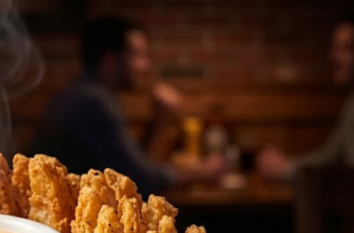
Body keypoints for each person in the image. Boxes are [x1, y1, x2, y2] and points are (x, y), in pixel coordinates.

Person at [30, 16, 225, 196]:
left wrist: (162, 115)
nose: (146, 66)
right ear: (111, 59)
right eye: (138, 55)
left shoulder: (85, 93)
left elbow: (137, 167)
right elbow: (140, 180)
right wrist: (203, 171)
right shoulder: (92, 103)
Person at [257, 13, 354, 180]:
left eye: (346, 48)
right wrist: (288, 164)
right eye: (335, 48)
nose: (333, 56)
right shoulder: (353, 101)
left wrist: (289, 169)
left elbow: (350, 175)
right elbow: (331, 156)